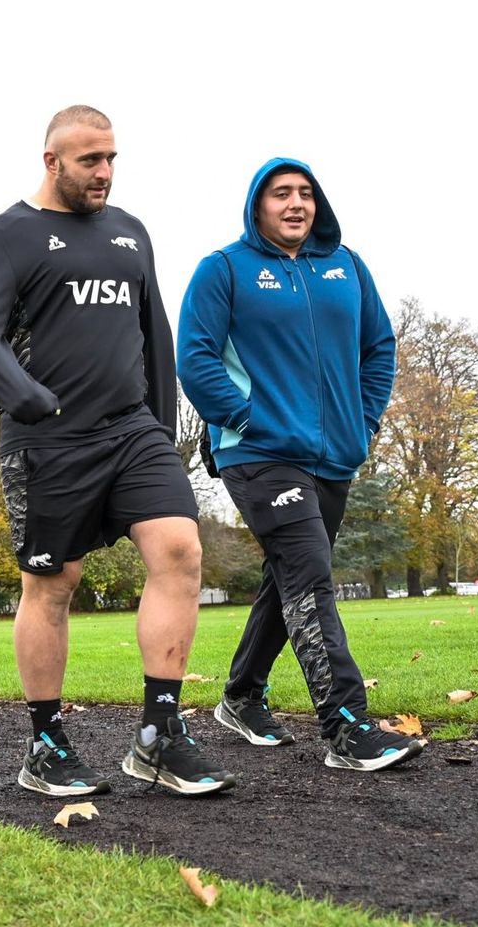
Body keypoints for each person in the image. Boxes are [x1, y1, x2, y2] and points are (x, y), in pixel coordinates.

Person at [0, 106, 235, 798]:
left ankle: (159, 736)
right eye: (89, 161)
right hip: (47, 440)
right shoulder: (9, 235)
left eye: (111, 158)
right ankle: (46, 743)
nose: (104, 172)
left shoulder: (130, 234)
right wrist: (25, 397)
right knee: (54, 585)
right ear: (52, 161)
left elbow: (154, 336)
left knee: (180, 550)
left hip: (131, 432)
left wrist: (164, 428)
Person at [176, 157, 424, 771]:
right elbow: (195, 357)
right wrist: (250, 418)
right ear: (257, 205)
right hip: (257, 452)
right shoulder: (224, 269)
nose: (295, 204)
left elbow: (379, 348)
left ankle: (240, 696)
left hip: (335, 454)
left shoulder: (347, 268)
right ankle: (346, 725)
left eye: (305, 194)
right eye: (281, 194)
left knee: (290, 576)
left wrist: (362, 423)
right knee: (309, 575)